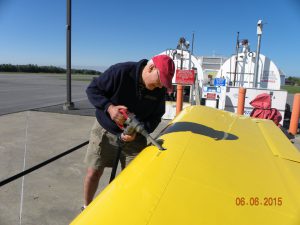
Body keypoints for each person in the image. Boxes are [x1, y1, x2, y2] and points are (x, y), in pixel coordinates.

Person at [83, 55, 175, 209]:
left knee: (135, 177)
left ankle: (125, 210)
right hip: (105, 131)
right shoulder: (121, 72)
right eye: (159, 81)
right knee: (94, 172)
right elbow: (92, 90)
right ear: (151, 68)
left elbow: (156, 117)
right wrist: (110, 108)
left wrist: (138, 132)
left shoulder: (159, 90)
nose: (160, 87)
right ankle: (86, 207)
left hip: (136, 137)